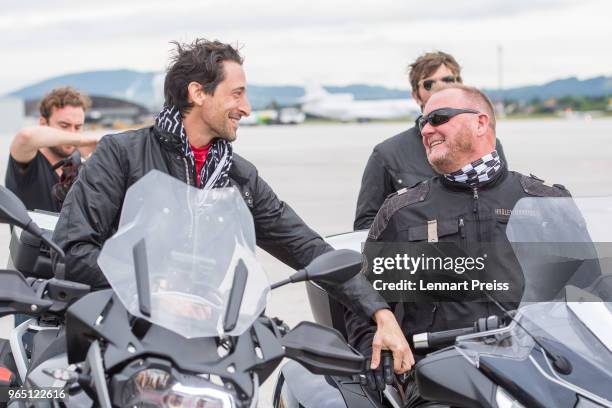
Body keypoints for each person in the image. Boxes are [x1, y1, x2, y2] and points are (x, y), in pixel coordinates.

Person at [52, 39, 413, 373]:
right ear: (197, 93)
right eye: (237, 93)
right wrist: (158, 293)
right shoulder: (121, 155)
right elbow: (72, 251)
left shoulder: (238, 176)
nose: (247, 107)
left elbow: (307, 247)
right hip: (125, 342)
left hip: (209, 347)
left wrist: (379, 310)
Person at [346, 83, 570, 398]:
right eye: (423, 122)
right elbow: (364, 304)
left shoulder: (546, 200)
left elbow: (590, 292)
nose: (426, 130)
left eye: (439, 118)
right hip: (438, 378)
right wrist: (377, 353)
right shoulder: (401, 211)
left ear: (480, 123)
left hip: (540, 372)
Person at [354, 51, 508, 231]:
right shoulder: (386, 154)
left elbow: (503, 197)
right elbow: (366, 225)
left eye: (449, 80)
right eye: (429, 83)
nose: (440, 86)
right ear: (416, 95)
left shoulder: (490, 143)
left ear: (461, 85)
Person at [5, 87, 99, 212]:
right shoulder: (28, 162)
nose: (72, 133)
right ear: (43, 124)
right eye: (64, 125)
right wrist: (82, 141)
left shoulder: (81, 162)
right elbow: (25, 136)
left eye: (78, 127)